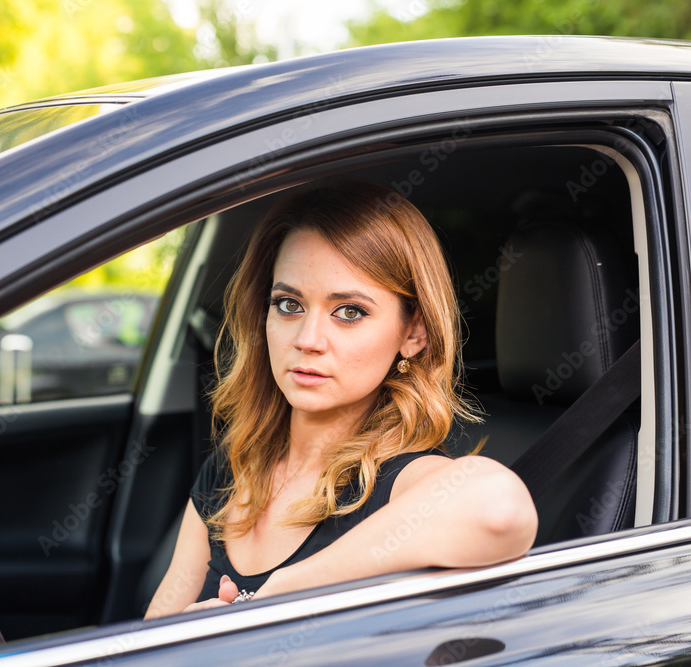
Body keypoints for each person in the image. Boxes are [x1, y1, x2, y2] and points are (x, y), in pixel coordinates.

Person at [145, 181, 537, 618]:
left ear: (414, 334)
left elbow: (499, 508)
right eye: (289, 304)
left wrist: (277, 597)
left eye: (349, 311)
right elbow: (153, 633)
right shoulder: (235, 464)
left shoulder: (405, 484)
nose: (307, 340)